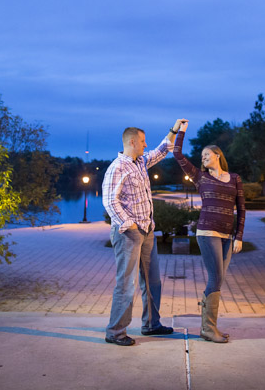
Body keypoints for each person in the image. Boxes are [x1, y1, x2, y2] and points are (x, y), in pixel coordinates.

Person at [102, 120, 187, 346]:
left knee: (152, 281)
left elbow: (161, 151)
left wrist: (174, 130)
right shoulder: (117, 167)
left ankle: (151, 324)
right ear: (132, 142)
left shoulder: (139, 162)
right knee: (126, 283)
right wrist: (129, 224)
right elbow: (110, 201)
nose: (145, 144)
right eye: (142, 141)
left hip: (147, 230)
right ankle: (115, 332)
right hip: (129, 233)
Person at [172, 120, 245, 343]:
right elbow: (177, 154)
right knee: (216, 277)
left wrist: (239, 236)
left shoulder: (234, 179)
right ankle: (208, 328)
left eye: (206, 154)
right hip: (207, 232)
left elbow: (241, 209)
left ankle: (208, 327)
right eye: (202, 155)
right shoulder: (200, 177)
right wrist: (181, 131)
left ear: (217, 155)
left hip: (227, 236)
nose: (203, 157)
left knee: (218, 280)